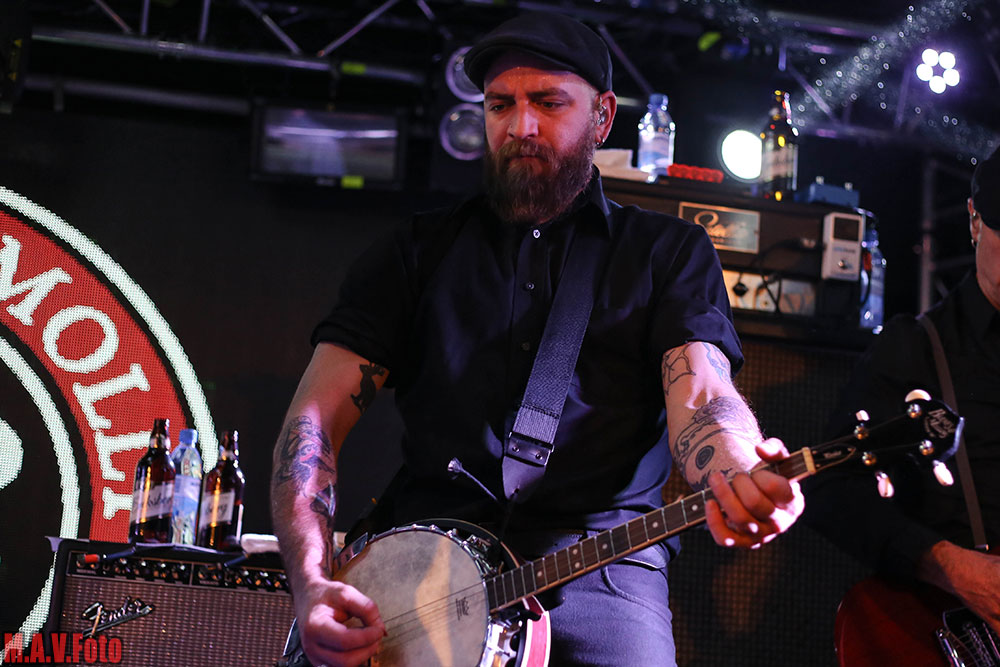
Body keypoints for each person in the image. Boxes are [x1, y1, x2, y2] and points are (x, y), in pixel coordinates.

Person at [270, 12, 804, 667]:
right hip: (420, 563)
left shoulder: (666, 253)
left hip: (599, 568)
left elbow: (702, 395)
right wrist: (310, 581)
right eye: (501, 105)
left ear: (603, 117)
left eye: (548, 103)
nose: (520, 125)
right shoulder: (415, 251)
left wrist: (741, 471)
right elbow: (313, 423)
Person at [803, 147, 1000, 636]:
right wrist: (949, 566)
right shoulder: (917, 347)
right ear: (974, 221)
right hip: (957, 632)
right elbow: (831, 489)